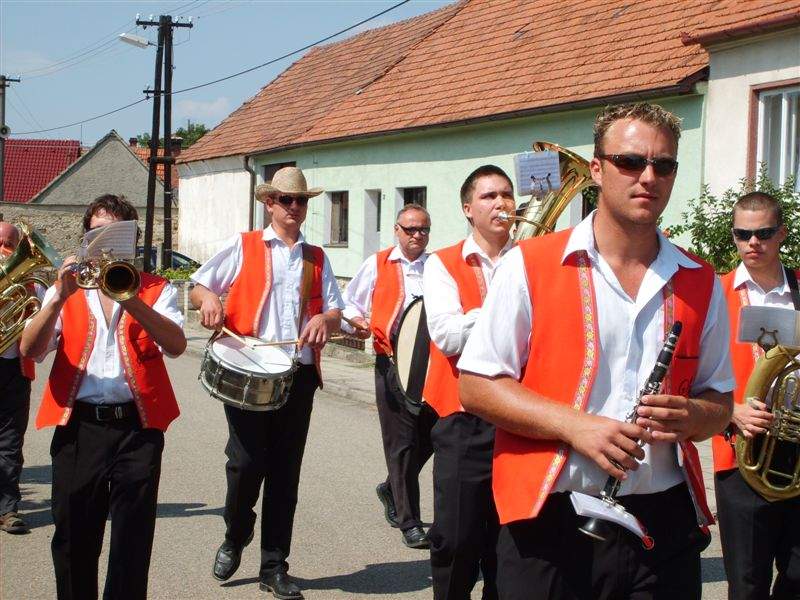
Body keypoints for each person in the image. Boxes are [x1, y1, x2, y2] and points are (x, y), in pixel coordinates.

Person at [458, 102, 734, 600]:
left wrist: (693, 414)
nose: (648, 176)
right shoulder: (528, 264)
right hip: (552, 515)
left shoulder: (702, 280)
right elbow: (476, 386)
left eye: (663, 164)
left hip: (662, 519)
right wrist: (577, 426)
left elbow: (721, 405)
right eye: (630, 162)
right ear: (597, 169)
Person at [20, 195, 186, 600]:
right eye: (95, 234)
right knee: (73, 534)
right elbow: (29, 349)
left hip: (138, 427)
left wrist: (130, 297)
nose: (103, 242)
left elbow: (176, 344)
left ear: (131, 239)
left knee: (132, 538)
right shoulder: (69, 291)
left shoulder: (156, 289)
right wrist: (57, 297)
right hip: (80, 426)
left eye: (113, 234)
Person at [190, 166, 343, 600]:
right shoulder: (244, 246)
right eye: (286, 200)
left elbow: (335, 311)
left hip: (297, 375)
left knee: (284, 474)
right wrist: (211, 299)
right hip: (247, 371)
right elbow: (200, 285)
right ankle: (236, 533)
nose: (294, 208)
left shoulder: (316, 257)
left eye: (301, 201)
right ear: (268, 203)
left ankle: (274, 566)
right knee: (244, 466)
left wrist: (322, 319)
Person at [422, 164, 516, 599]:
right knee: (457, 541)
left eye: (506, 195)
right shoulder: (442, 264)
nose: (501, 204)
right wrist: (499, 308)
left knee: (510, 545)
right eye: (489, 196)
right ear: (467, 208)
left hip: (520, 415)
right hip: (464, 418)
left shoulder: (531, 260)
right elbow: (446, 335)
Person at [711, 191, 800, 599]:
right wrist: (731, 410)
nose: (752, 243)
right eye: (741, 234)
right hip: (740, 456)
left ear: (780, 233)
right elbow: (689, 375)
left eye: (763, 232)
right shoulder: (715, 293)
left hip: (797, 455)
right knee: (746, 585)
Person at [342, 203, 437, 549]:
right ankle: (409, 520)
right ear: (397, 230)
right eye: (410, 229)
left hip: (431, 366)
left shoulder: (439, 266)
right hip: (392, 362)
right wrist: (356, 322)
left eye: (423, 229)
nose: (417, 235)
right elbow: (349, 303)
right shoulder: (378, 263)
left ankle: (390, 488)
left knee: (432, 437)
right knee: (400, 443)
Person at [0, 222, 37, 535]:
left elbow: (37, 321)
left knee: (11, 442)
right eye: (0, 242)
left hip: (16, 370)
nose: (5, 249)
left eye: (11, 243)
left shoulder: (26, 284)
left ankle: (8, 509)